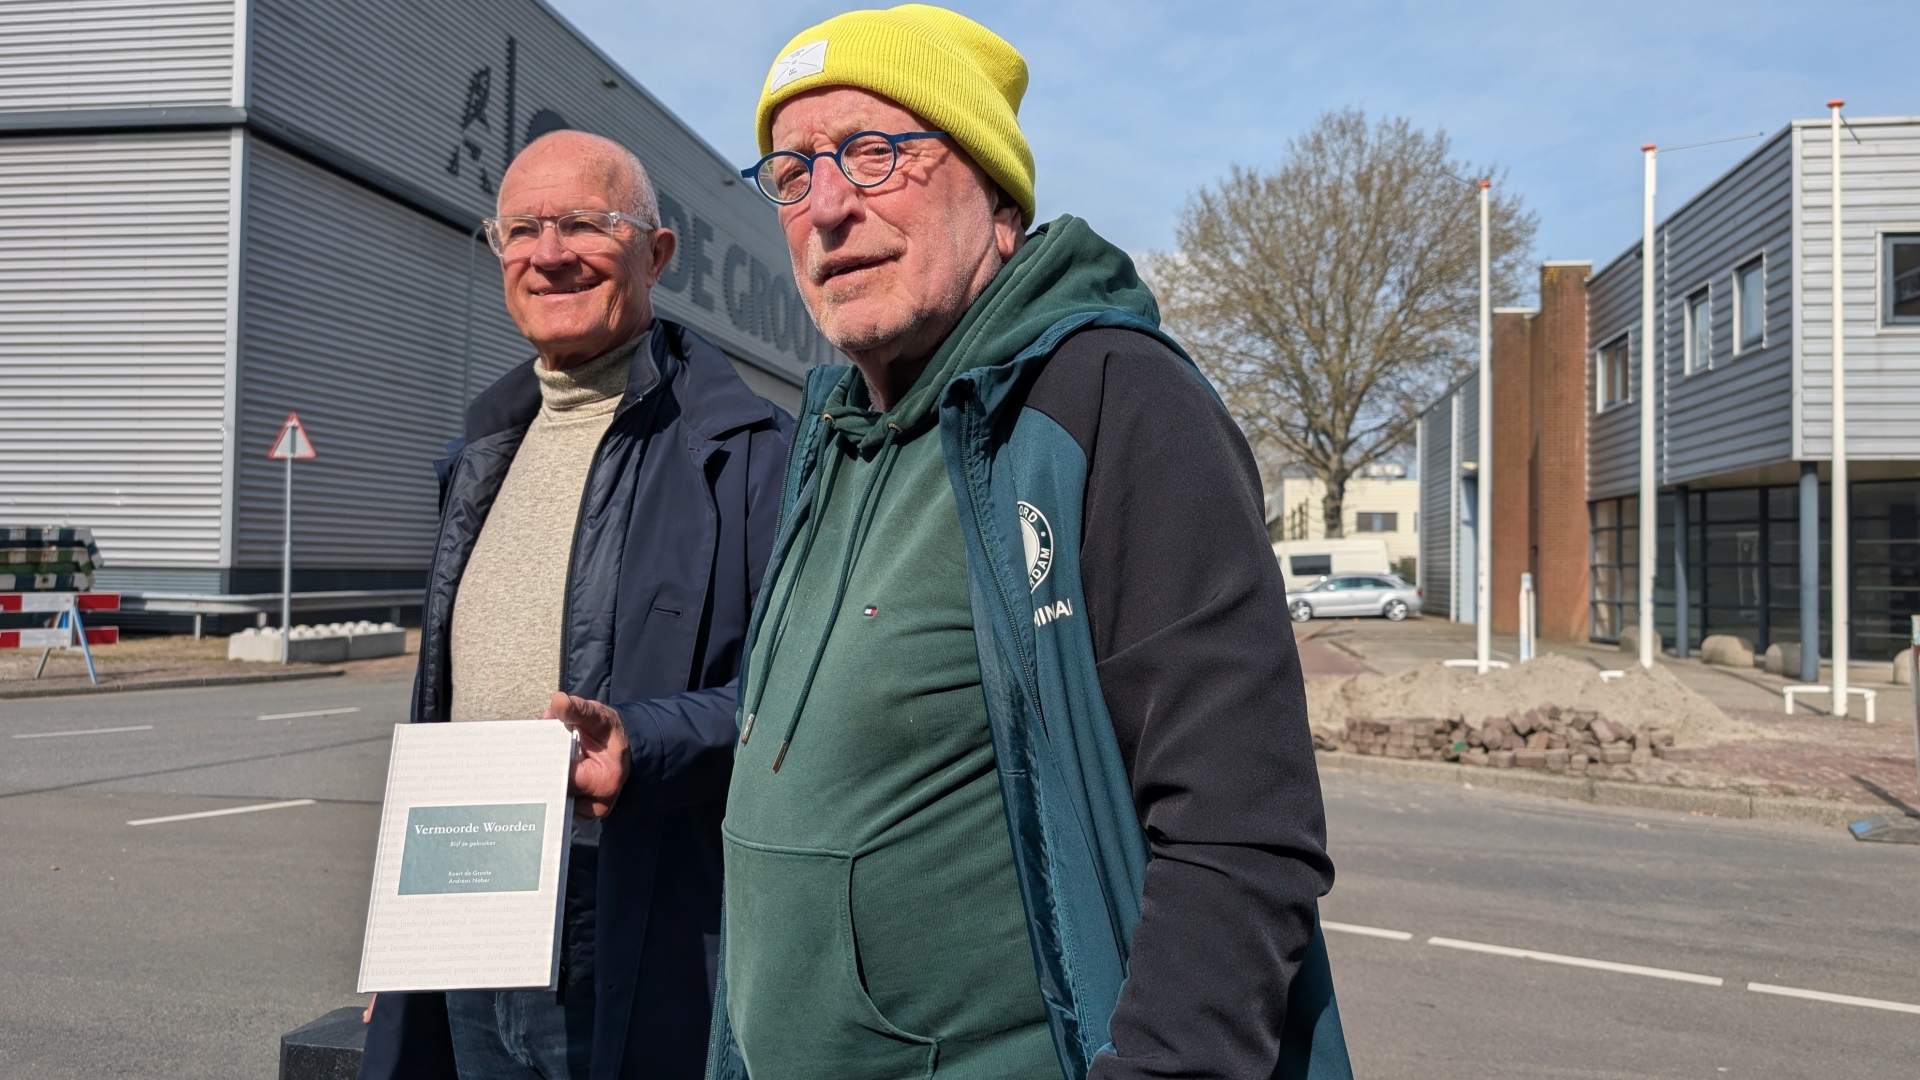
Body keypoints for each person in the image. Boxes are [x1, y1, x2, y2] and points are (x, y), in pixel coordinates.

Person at [707, 7, 1350, 1080]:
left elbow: (1240, 832)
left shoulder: (1111, 401)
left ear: (1000, 202)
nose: (827, 205)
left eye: (874, 153)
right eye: (793, 170)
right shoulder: (830, 444)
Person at [358, 129, 792, 1080]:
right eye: (520, 230)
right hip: (466, 914)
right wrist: (402, 934)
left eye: (584, 224)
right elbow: (447, 706)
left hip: (632, 917)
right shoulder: (480, 455)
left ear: (657, 254)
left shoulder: (752, 454)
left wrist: (647, 741)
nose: (548, 254)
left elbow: (799, 702)